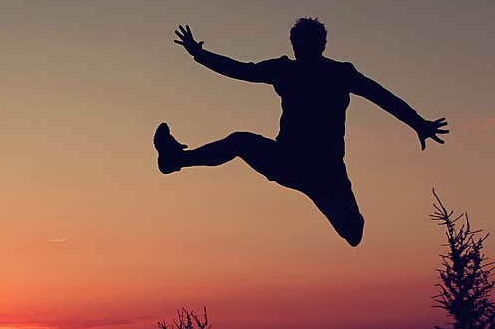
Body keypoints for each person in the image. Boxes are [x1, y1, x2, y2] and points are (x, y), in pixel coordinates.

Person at [155, 18, 448, 246]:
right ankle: (175, 160)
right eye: (298, 42)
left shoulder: (336, 73)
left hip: (321, 171)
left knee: (354, 232)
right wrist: (200, 54)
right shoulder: (291, 70)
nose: (301, 48)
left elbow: (381, 96)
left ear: (320, 44)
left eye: (305, 42)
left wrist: (418, 123)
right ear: (296, 44)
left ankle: (176, 161)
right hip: (293, 162)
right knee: (239, 141)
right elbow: (241, 70)